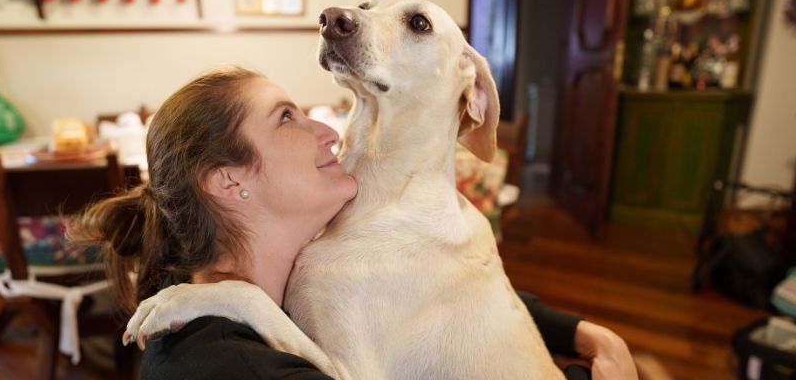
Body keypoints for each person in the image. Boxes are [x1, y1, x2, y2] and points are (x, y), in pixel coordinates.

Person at [69, 66, 636, 380]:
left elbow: (432, 291)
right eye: (286, 118)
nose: (329, 132)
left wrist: (584, 332)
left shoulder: (269, 272)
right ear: (227, 179)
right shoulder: (225, 364)